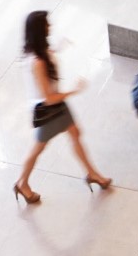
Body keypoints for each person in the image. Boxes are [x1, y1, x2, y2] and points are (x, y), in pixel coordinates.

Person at [14, 11, 111, 205]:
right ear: (40, 29)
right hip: (48, 110)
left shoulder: (36, 51)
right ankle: (22, 183)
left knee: (75, 133)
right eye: (46, 24)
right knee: (38, 147)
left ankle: (92, 173)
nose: (50, 25)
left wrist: (59, 47)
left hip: (56, 107)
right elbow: (49, 98)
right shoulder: (38, 62)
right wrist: (74, 91)